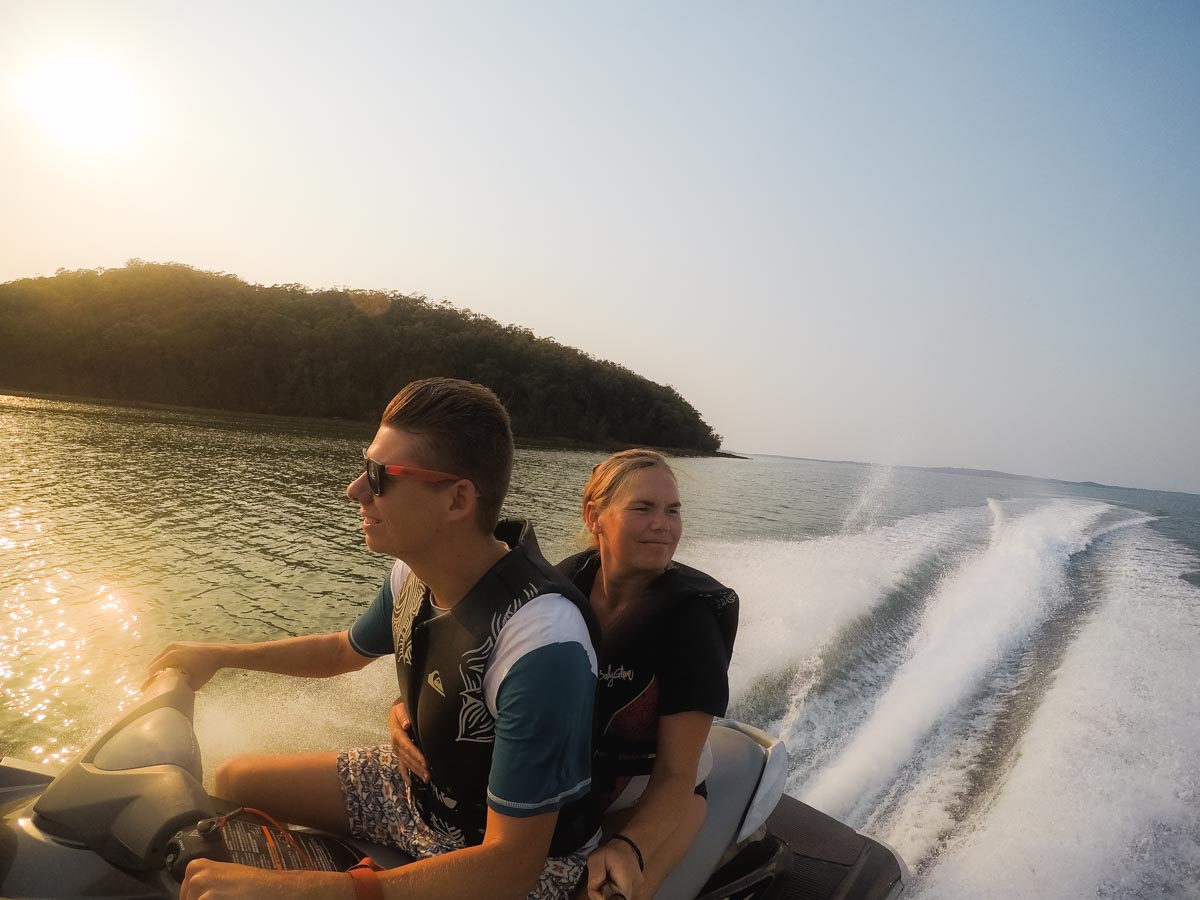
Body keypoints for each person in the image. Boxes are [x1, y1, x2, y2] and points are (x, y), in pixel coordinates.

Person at [148, 378, 599, 900]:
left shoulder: (543, 644)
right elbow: (342, 651)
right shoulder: (414, 575)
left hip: (517, 864)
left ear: (457, 500)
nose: (355, 489)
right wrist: (219, 656)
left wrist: (309, 890)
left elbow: (511, 865)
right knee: (234, 781)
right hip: (418, 795)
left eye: (380, 476)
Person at [561, 449, 738, 900]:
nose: (664, 525)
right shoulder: (558, 591)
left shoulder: (690, 621)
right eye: (644, 508)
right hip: (564, 786)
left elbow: (676, 775)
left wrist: (628, 845)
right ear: (594, 516)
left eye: (672, 510)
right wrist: (407, 711)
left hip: (651, 796)